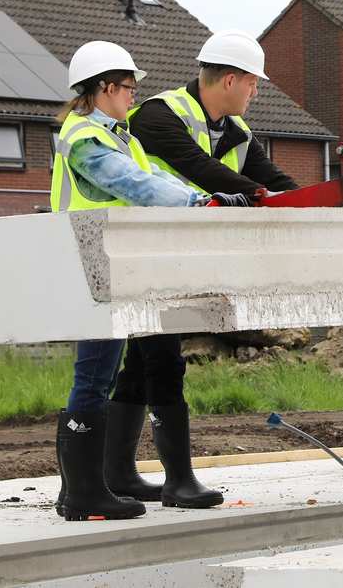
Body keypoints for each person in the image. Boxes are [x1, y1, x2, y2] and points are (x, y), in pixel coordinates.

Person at [51, 41, 245, 521]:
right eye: (128, 89)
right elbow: (131, 184)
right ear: (104, 88)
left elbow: (157, 176)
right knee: (93, 376)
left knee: (107, 372)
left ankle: (94, 484)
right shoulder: (85, 139)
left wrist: (208, 197)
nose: (133, 99)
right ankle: (81, 494)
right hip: (93, 265)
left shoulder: (120, 135)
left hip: (117, 264)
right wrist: (200, 206)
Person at [103, 30, 295, 510]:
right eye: (253, 83)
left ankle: (119, 473)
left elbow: (274, 181)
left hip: (178, 260)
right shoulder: (157, 116)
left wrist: (321, 205)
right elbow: (199, 169)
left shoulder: (237, 132)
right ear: (230, 80)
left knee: (141, 364)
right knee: (163, 361)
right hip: (142, 257)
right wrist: (261, 197)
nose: (256, 92)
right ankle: (179, 480)